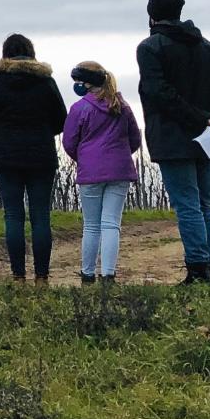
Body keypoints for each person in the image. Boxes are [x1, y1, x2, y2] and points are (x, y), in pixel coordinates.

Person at [136, 0, 210, 285]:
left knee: (188, 204)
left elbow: (159, 93)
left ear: (152, 15)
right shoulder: (209, 48)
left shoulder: (150, 48)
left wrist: (198, 119)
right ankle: (207, 268)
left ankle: (197, 268)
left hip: (172, 138)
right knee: (204, 203)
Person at [0, 35, 69, 283]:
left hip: (6, 156)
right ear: (32, 53)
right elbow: (62, 119)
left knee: (13, 215)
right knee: (41, 216)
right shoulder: (46, 83)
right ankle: (42, 276)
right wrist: (42, 130)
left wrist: (3, 131)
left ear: (5, 54)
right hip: (41, 155)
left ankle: (18, 275)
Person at [63, 62, 142, 285]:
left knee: (91, 225)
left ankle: (87, 273)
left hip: (90, 172)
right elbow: (134, 139)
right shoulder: (122, 106)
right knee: (111, 224)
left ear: (87, 84)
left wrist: (85, 158)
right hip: (120, 171)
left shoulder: (79, 109)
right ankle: (108, 274)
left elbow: (69, 142)